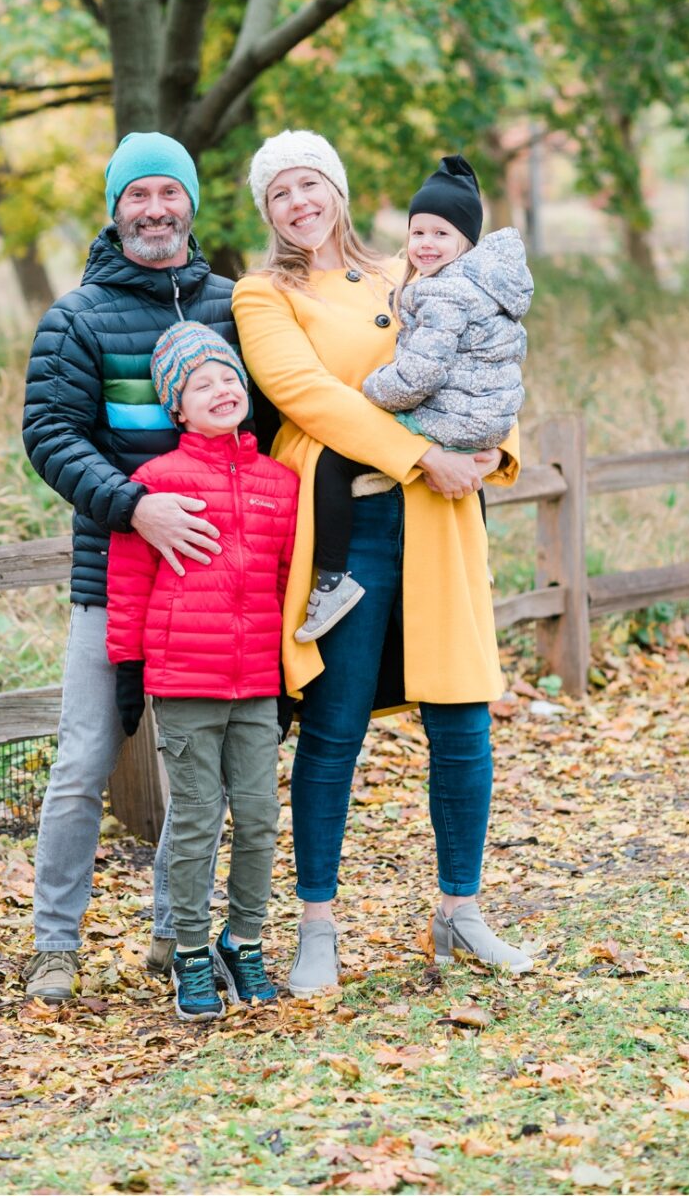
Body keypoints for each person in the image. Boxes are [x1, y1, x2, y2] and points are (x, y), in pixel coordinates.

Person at [231, 129, 534, 998]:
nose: (300, 202)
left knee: (461, 720)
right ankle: (317, 923)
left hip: (440, 520)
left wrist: (490, 453)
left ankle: (460, 910)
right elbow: (306, 397)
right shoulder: (263, 295)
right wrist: (415, 455)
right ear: (268, 210)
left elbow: (489, 355)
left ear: (338, 187)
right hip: (345, 529)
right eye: (281, 192)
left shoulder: (410, 270)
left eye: (311, 184)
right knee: (334, 727)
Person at [21, 132, 238, 1003]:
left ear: (191, 203)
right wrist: (136, 506)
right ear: (115, 210)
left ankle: (174, 936)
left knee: (203, 766)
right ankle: (54, 947)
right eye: (136, 196)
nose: (155, 211)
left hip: (216, 579)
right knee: (83, 760)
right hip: (109, 577)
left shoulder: (232, 308)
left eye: (168, 194)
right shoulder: (75, 318)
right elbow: (50, 435)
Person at [106, 322, 298, 1020]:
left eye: (229, 376)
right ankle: (189, 952)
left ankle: (241, 940)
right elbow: (128, 583)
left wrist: (287, 680)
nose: (221, 388)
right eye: (200, 383)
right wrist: (129, 668)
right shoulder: (154, 485)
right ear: (175, 408)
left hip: (256, 684)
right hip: (185, 683)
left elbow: (284, 583)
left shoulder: (282, 483)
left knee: (258, 817)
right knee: (194, 820)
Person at [296, 155, 533, 642]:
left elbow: (420, 373)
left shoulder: (443, 294)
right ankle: (479, 562)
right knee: (461, 469)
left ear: (465, 241)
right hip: (489, 416)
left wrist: (373, 390)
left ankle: (330, 580)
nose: (426, 244)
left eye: (441, 235)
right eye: (418, 233)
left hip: (455, 416)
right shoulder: (487, 287)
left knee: (333, 462)